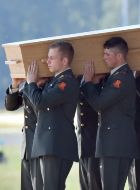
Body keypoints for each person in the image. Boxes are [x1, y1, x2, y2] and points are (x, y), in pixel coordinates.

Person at [81, 37, 139, 190]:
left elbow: (100, 103)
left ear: (119, 56)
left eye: (107, 54)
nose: (104, 57)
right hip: (116, 144)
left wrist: (87, 83)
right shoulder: (116, 76)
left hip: (115, 145)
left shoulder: (120, 78)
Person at [23, 41, 79, 190]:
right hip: (50, 145)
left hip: (56, 145)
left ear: (64, 60)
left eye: (51, 58)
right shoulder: (54, 82)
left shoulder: (65, 82)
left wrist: (31, 83)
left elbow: (40, 102)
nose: (47, 61)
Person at [5, 77, 47, 190]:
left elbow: (39, 106)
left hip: (41, 148)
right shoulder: (28, 86)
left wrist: (34, 84)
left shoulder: (49, 86)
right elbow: (10, 106)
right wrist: (15, 85)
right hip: (27, 147)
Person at [76, 74, 103, 190]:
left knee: (95, 184)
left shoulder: (104, 80)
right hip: (83, 142)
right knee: (85, 185)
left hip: (95, 142)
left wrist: (92, 83)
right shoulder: (77, 79)